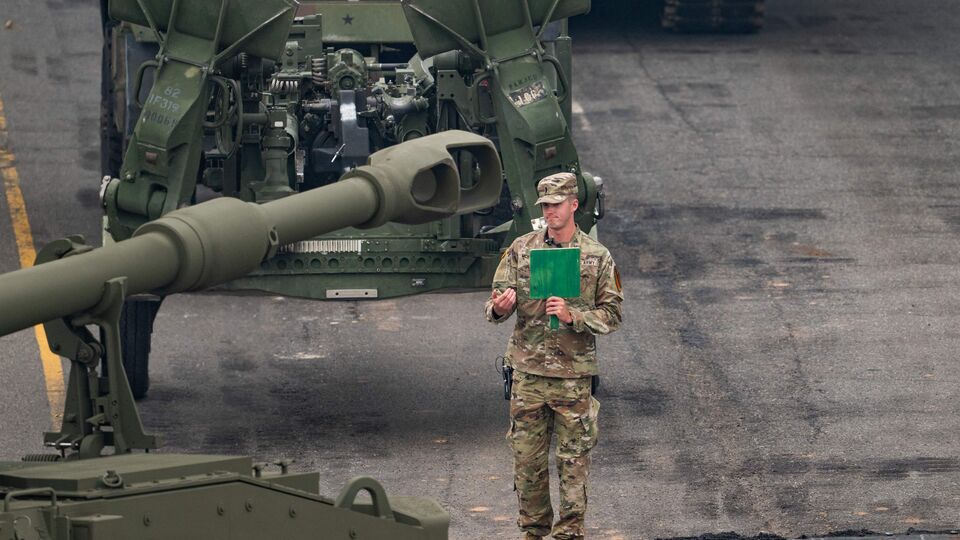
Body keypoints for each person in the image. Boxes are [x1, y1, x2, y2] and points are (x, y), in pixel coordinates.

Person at [484, 172, 623, 539]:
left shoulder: (596, 257)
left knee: (573, 464)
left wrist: (573, 316)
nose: (550, 212)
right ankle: (533, 533)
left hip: (572, 380)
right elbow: (494, 307)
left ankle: (569, 534)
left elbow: (613, 314)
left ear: (574, 205)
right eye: (545, 206)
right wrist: (500, 307)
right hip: (528, 377)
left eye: (557, 205)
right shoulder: (522, 249)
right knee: (527, 464)